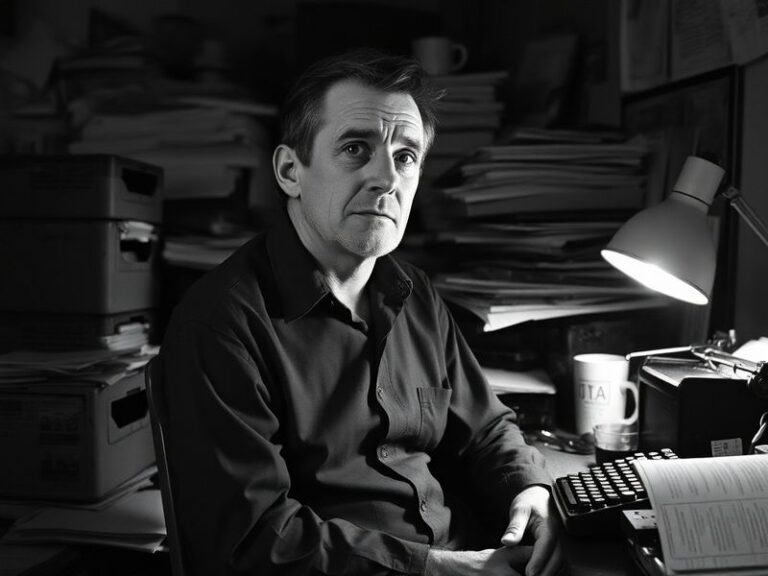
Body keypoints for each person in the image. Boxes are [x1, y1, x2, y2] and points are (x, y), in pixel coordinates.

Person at [160, 49, 563, 576]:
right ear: (289, 171)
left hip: (470, 557)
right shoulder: (221, 324)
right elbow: (255, 541)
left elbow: (485, 429)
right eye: (356, 148)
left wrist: (528, 490)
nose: (387, 179)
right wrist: (445, 570)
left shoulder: (412, 291)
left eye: (405, 157)